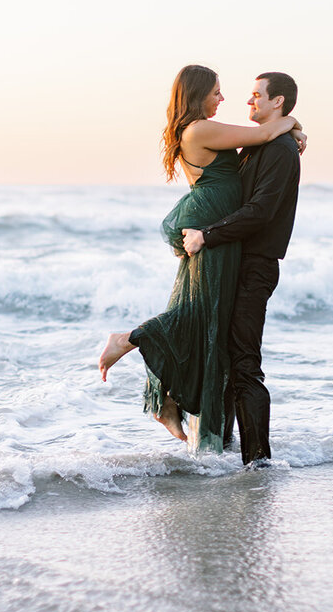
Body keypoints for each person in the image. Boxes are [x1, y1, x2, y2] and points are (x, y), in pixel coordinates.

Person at [98, 65, 303, 451]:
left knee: (215, 341)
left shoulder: (265, 146)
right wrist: (292, 123)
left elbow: (259, 201)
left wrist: (291, 128)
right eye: (217, 92)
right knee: (203, 324)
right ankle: (130, 341)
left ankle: (213, 442)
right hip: (215, 238)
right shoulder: (208, 131)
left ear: (276, 100)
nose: (233, 99)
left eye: (256, 94)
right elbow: (261, 139)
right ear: (197, 93)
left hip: (231, 246)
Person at [181, 72, 301, 466]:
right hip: (235, 260)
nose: (248, 102)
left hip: (255, 267)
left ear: (277, 102)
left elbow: (260, 212)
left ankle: (259, 464)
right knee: (227, 360)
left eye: (256, 96)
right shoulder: (257, 146)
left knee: (245, 366)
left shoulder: (281, 150)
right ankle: (227, 454)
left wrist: (207, 236)